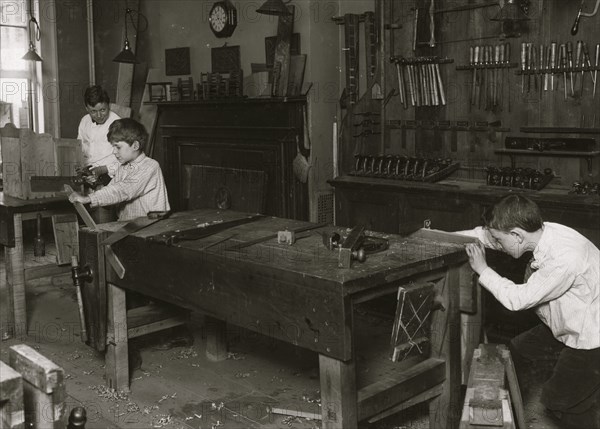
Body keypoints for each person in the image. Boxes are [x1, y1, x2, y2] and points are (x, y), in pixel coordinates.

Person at [456, 194, 599, 429]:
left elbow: (517, 299)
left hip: (592, 335)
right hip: (570, 321)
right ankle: (501, 419)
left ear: (516, 235)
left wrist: (483, 270)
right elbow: (487, 236)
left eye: (500, 241)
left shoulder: (564, 259)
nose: (496, 245)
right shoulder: (538, 233)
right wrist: (438, 237)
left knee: (563, 401)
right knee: (515, 353)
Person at [69, 118, 170, 221]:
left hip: (150, 228)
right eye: (113, 147)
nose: (114, 151)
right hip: (128, 226)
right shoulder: (123, 167)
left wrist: (89, 198)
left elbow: (123, 190)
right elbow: (112, 192)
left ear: (135, 145)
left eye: (118, 147)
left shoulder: (150, 166)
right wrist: (96, 185)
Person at [77, 85, 121, 178]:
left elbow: (126, 159)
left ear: (108, 105)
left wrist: (103, 169)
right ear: (87, 109)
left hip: (109, 173)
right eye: (93, 111)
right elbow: (79, 147)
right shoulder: (84, 121)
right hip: (87, 171)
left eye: (102, 110)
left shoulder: (117, 124)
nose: (99, 115)